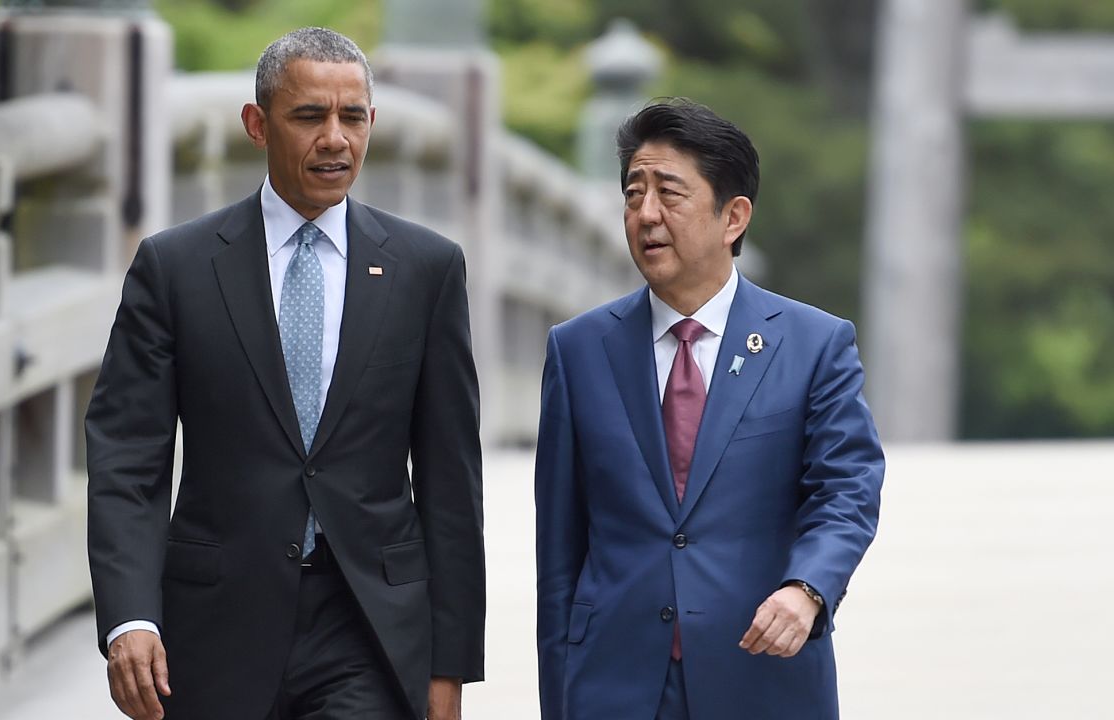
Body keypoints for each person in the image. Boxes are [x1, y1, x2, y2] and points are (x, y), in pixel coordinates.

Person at [86, 27, 484, 720]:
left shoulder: (426, 268)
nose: (335, 139)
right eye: (309, 117)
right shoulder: (175, 268)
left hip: (367, 622)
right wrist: (130, 620)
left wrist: (450, 666)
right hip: (214, 627)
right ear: (257, 124)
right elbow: (127, 459)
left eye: (352, 117)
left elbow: (452, 482)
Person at [534, 98, 884, 719]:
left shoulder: (812, 344)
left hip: (761, 671)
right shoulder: (578, 349)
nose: (645, 214)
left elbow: (847, 490)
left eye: (669, 193)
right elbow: (560, 553)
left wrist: (808, 589)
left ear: (733, 217)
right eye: (633, 193)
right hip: (615, 682)